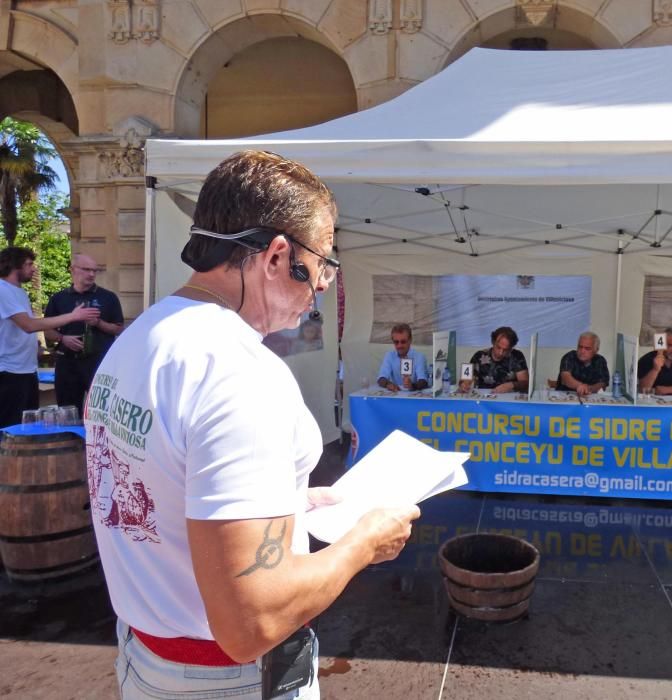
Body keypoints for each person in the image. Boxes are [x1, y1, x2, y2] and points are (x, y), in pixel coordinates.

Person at [84, 150, 420, 700]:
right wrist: (365, 543)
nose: (326, 284)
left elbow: (162, 483)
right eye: (323, 262)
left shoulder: (141, 338)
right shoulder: (240, 372)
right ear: (277, 257)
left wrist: (284, 500)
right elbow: (251, 624)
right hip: (231, 682)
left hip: (148, 660)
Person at [0, 246, 99, 428]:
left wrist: (34, 345)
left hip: (25, 370)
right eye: (29, 264)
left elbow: (18, 328)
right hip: (9, 372)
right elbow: (28, 325)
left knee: (25, 427)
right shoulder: (3, 290)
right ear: (15, 266)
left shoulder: (18, 291)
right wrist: (73, 316)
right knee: (10, 429)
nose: (34, 268)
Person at [44, 253, 124, 410]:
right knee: (67, 410)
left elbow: (119, 328)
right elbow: (47, 330)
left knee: (102, 409)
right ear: (72, 270)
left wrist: (98, 323)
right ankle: (69, 435)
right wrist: (63, 338)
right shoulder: (59, 298)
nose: (92, 274)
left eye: (95, 270)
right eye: (86, 269)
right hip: (67, 362)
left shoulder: (108, 297)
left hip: (98, 362)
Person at [461, 326, 528, 393]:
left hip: (509, 398)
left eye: (505, 350)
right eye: (498, 347)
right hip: (484, 398)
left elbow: (526, 383)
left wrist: (511, 385)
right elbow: (465, 378)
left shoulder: (517, 356)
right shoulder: (479, 356)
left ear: (511, 348)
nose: (501, 353)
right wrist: (464, 383)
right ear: (493, 342)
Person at [377, 322, 428, 391]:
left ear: (410, 340)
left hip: (413, 396)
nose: (399, 345)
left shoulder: (419, 357)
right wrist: (388, 384)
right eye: (396, 342)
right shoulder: (389, 356)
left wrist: (412, 385)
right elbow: (381, 378)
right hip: (395, 395)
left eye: (403, 342)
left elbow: (423, 381)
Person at [556, 331, 610, 396]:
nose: (582, 351)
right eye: (580, 347)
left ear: (596, 350)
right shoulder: (569, 356)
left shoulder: (600, 360)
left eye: (587, 348)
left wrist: (589, 388)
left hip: (590, 397)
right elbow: (565, 378)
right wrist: (580, 386)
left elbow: (603, 384)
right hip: (566, 396)